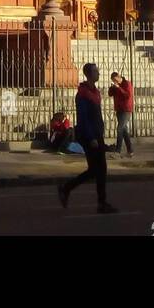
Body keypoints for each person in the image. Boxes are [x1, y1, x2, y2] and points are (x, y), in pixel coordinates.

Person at [58, 63, 118, 214]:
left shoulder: (94, 92)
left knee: (95, 170)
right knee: (99, 169)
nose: (98, 73)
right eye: (96, 71)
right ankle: (100, 202)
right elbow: (83, 119)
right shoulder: (83, 94)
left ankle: (67, 189)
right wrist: (92, 137)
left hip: (96, 134)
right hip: (89, 136)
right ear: (89, 74)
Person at [108, 71, 134, 157]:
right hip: (119, 109)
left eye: (116, 80)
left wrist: (119, 88)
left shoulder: (127, 84)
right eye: (113, 80)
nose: (115, 81)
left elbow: (127, 95)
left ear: (119, 77)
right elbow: (110, 94)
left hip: (126, 109)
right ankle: (130, 151)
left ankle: (118, 151)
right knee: (124, 130)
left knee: (119, 129)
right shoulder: (116, 85)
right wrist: (112, 87)